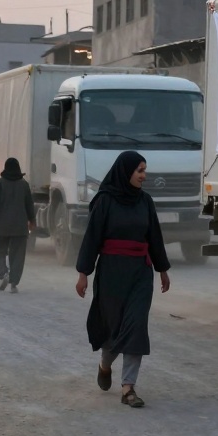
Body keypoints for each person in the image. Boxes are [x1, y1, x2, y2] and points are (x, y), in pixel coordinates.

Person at [75, 151, 171, 408]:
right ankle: (105, 365)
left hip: (140, 272)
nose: (144, 176)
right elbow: (92, 238)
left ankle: (128, 388)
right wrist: (83, 274)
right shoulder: (104, 201)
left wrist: (162, 269)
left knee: (136, 326)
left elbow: (154, 237)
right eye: (139, 170)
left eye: (144, 170)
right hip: (111, 273)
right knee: (114, 328)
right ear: (125, 171)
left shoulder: (145, 202)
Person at [0, 157, 37, 293]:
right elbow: (29, 205)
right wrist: (32, 221)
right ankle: (14, 283)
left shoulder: (0, 183)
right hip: (20, 227)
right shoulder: (24, 185)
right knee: (18, 256)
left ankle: (4, 273)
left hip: (2, 226)